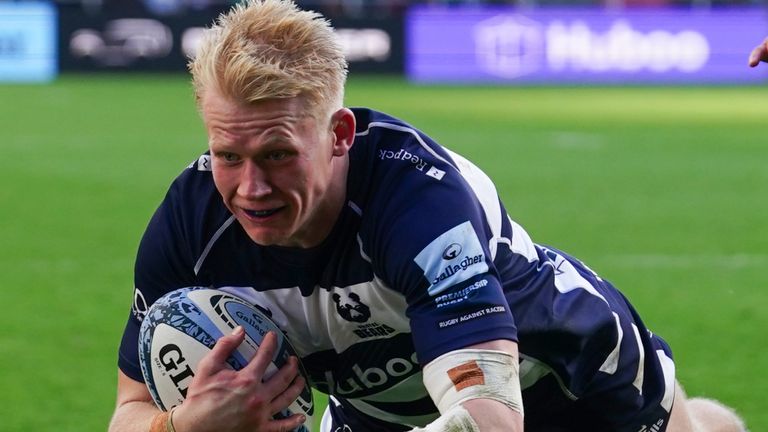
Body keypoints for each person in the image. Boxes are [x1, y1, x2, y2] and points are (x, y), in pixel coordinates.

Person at [108, 1, 747, 431]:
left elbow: (489, 411)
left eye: (277, 154)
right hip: (380, 411)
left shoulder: (417, 201)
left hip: (562, 381)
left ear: (338, 135)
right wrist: (182, 424)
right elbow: (131, 409)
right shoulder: (189, 229)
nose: (250, 188)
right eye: (227, 155)